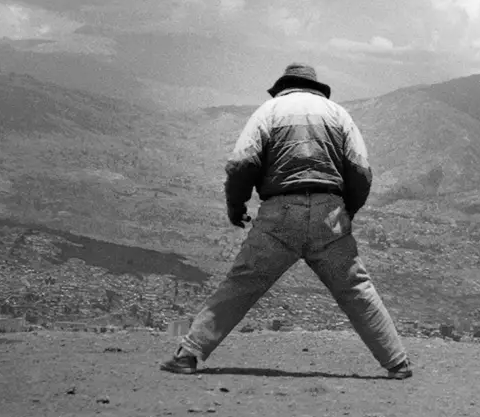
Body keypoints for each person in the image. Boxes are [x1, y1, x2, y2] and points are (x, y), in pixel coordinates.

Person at [159, 63, 412, 379]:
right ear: (317, 88)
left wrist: (235, 206)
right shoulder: (339, 115)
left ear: (282, 86)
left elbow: (241, 163)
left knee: (241, 283)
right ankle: (397, 362)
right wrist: (345, 212)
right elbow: (360, 171)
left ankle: (188, 355)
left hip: (279, 214)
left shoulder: (269, 111)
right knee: (356, 287)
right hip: (329, 213)